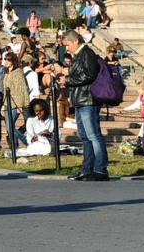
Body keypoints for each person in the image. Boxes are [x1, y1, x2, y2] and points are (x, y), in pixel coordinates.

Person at [60, 29, 108, 180]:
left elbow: (88, 75)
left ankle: (100, 170)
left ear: (75, 41)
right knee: (85, 137)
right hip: (80, 100)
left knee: (93, 135)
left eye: (67, 45)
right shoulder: (79, 55)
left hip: (88, 100)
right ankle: (87, 169)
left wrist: (67, 80)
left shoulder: (87, 53)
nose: (66, 48)